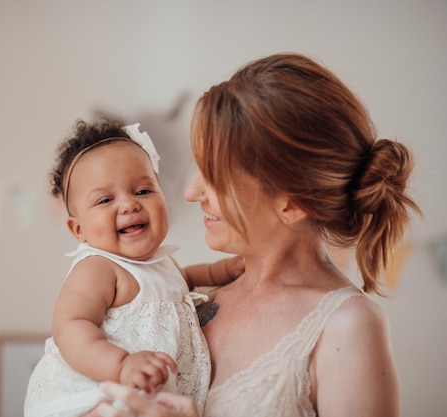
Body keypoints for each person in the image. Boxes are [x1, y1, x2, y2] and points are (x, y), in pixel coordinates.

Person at [95, 52, 421, 417]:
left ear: (291, 203)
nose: (191, 192)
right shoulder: (189, 298)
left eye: (215, 175)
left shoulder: (347, 327)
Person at [24, 119, 243, 417]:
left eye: (142, 191)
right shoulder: (98, 268)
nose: (128, 205)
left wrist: (225, 270)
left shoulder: (160, 264)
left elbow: (187, 279)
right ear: (79, 230)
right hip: (93, 394)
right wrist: (120, 364)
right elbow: (71, 326)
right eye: (105, 199)